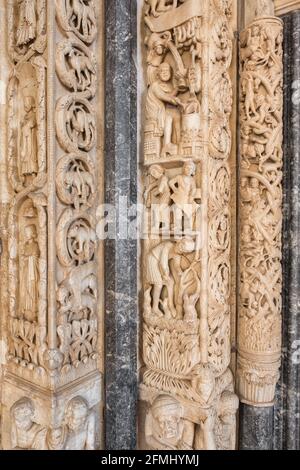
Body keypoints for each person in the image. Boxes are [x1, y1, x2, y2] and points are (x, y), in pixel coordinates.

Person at [145, 62, 182, 158]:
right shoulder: (155, 86)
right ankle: (166, 144)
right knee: (169, 116)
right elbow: (163, 96)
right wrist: (174, 100)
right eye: (162, 71)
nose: (165, 73)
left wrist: (178, 88)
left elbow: (169, 95)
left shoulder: (167, 86)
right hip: (155, 114)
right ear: (157, 74)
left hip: (161, 111)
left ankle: (178, 142)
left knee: (176, 115)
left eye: (167, 71)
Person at [20, 224, 40, 322]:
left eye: (28, 232)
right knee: (25, 289)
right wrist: (25, 259)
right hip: (26, 272)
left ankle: (34, 310)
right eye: (25, 232)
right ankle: (26, 310)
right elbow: (23, 258)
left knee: (32, 289)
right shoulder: (25, 246)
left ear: (32, 233)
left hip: (32, 273)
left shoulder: (35, 245)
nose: (26, 234)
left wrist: (28, 258)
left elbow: (36, 257)